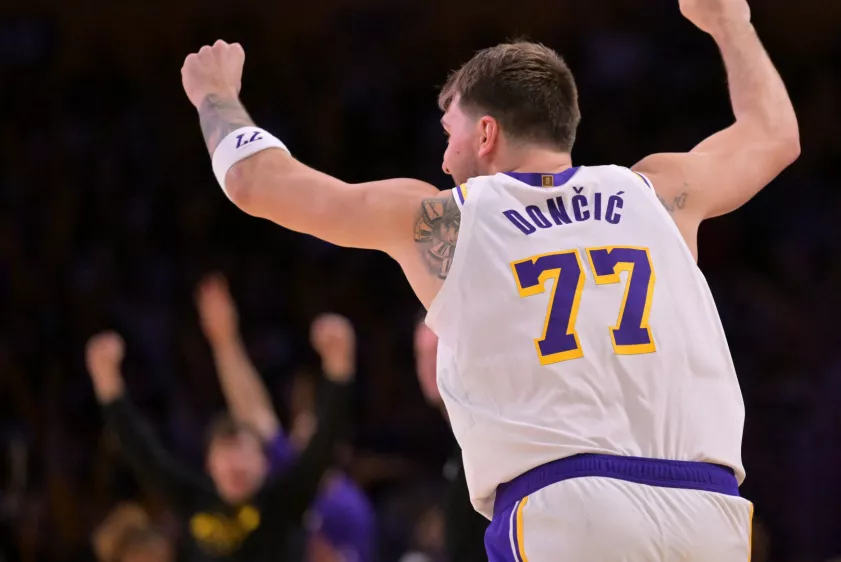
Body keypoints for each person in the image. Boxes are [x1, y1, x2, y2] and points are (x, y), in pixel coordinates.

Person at [179, 0, 799, 557]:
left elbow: (257, 183)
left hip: (569, 508)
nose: (443, 158)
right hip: (709, 511)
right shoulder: (659, 193)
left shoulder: (447, 220)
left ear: (485, 132)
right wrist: (730, 23)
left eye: (448, 135)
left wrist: (216, 95)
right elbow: (774, 136)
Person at [85, 322, 352, 562]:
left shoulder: (285, 499)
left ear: (264, 463)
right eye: (225, 454)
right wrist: (108, 386)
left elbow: (323, 443)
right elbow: (147, 457)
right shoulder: (194, 499)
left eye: (244, 454)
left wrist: (338, 371)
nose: (235, 465)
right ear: (209, 464)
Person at [194, 274, 376, 562]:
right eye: (300, 425)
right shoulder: (288, 468)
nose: (304, 431)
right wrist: (225, 341)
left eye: (315, 429)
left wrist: (339, 370)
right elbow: (253, 412)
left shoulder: (347, 506)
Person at [413, 320, 488, 562]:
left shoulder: (487, 426)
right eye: (419, 355)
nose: (428, 364)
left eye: (436, 351)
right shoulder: (453, 436)